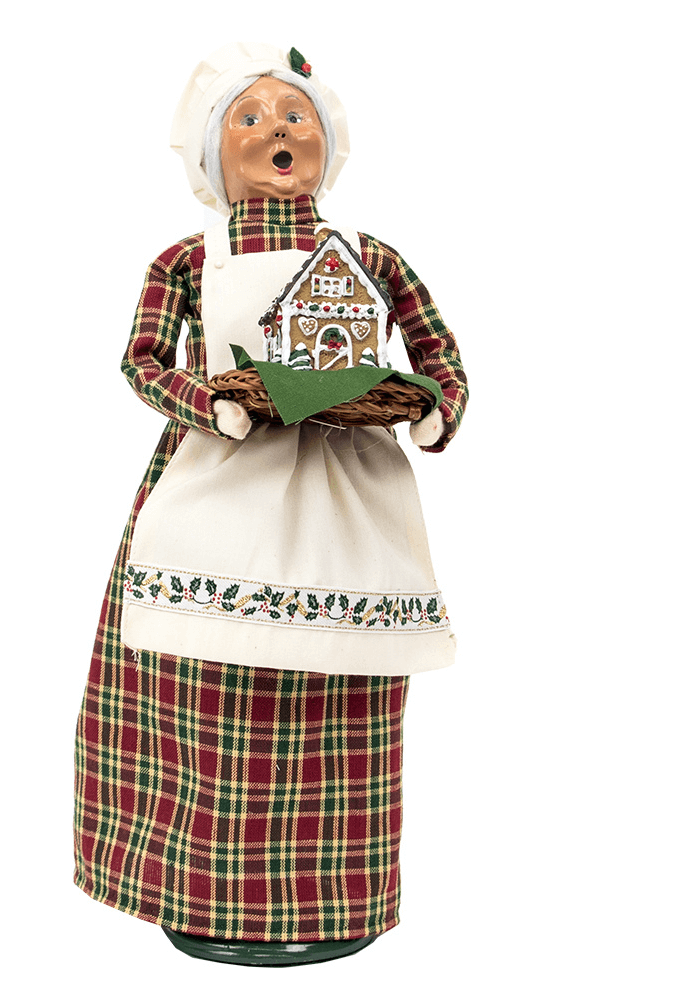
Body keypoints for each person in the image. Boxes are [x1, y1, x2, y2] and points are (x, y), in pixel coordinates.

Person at [74, 43, 468, 966]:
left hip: (346, 489)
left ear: (326, 143)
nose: (276, 130)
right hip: (220, 479)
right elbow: (140, 360)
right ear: (215, 154)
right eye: (248, 118)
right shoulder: (184, 259)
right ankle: (201, 893)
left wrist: (434, 413)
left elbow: (437, 351)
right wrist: (206, 402)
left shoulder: (369, 257)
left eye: (294, 116)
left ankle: (337, 894)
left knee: (343, 690)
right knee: (201, 689)